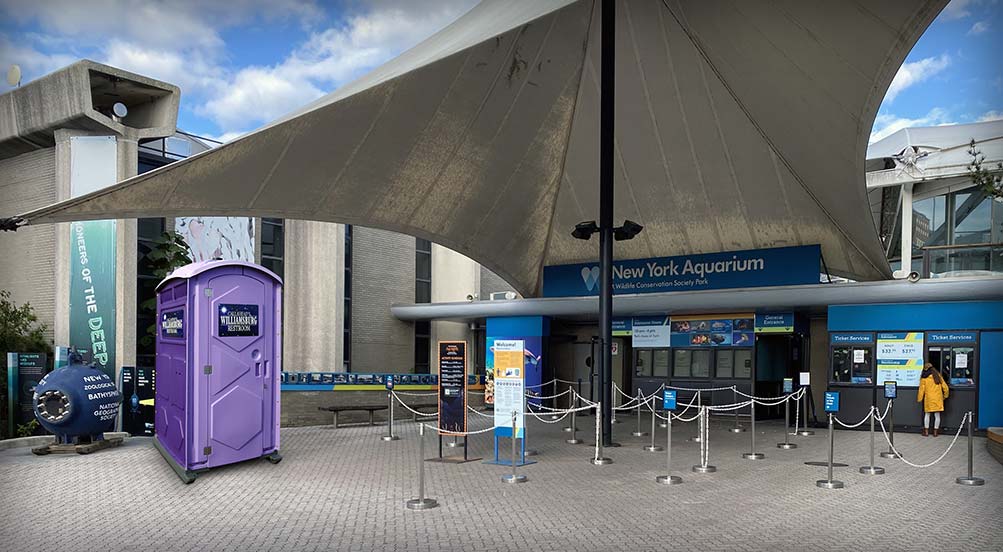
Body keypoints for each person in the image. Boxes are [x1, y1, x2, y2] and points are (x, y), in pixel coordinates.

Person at [917, 363, 949, 436]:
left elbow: (921, 390)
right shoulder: (938, 376)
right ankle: (935, 432)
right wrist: (945, 396)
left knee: (927, 414)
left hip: (928, 399)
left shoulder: (924, 378)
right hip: (938, 398)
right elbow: (945, 387)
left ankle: (926, 431)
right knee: (937, 415)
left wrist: (919, 399)